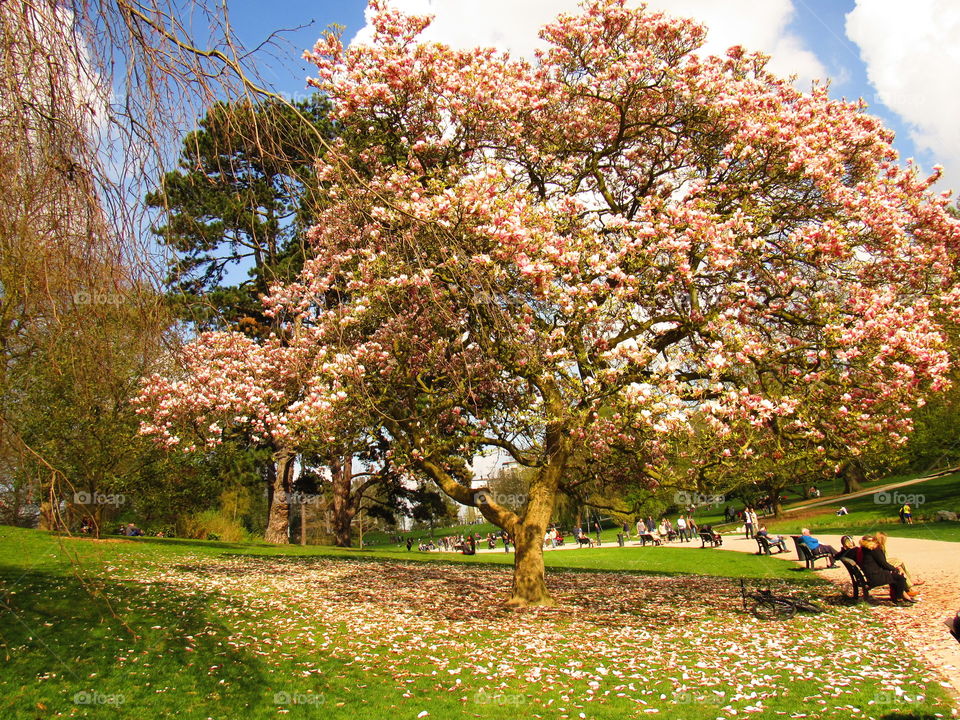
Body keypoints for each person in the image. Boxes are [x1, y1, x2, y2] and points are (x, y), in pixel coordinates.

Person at [855, 534, 912, 603]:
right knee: (900, 578)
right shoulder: (874, 549)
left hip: (872, 575)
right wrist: (895, 569)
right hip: (876, 577)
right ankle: (899, 599)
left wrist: (893, 570)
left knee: (895, 576)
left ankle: (900, 597)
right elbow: (883, 564)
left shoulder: (864, 549)